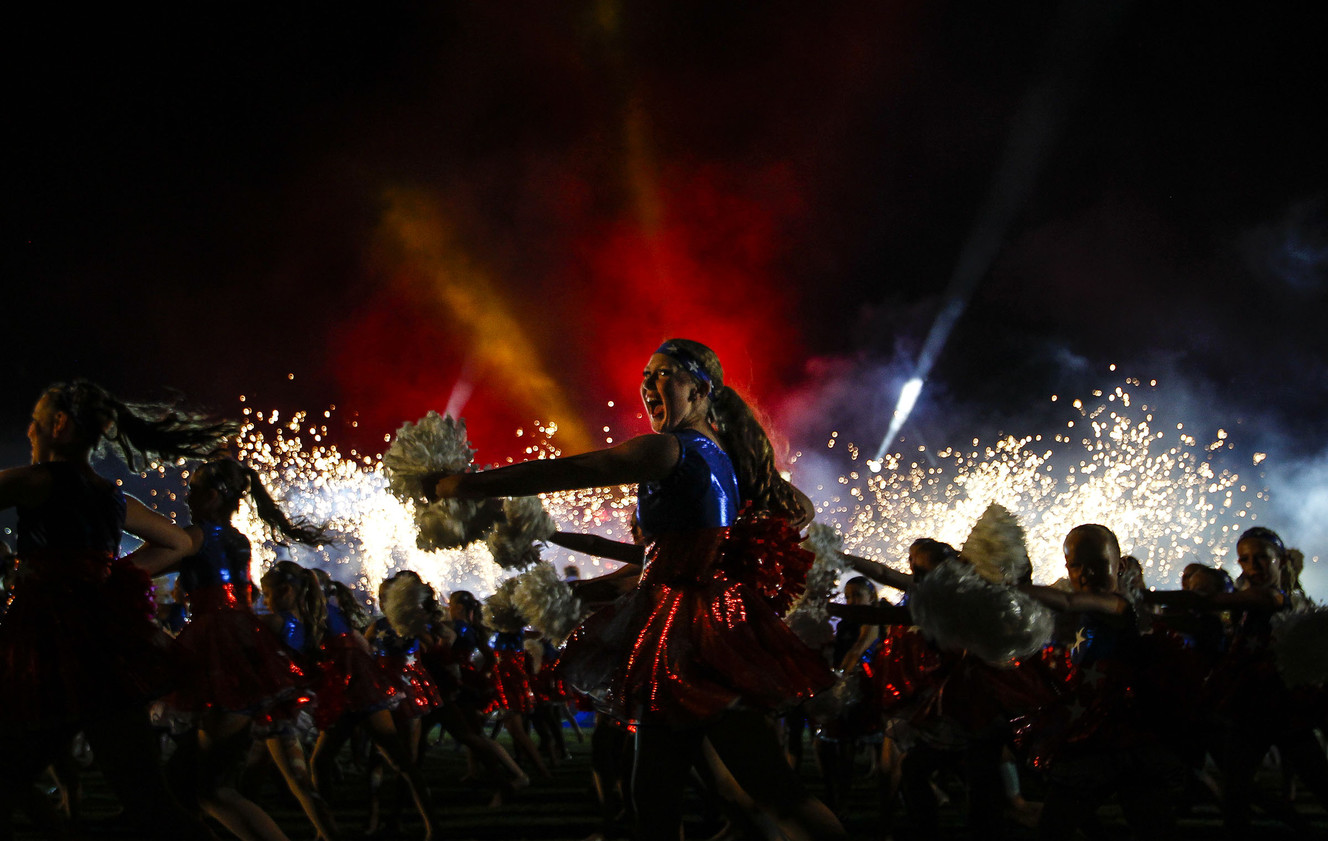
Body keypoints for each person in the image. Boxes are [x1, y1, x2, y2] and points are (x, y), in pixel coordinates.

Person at [430, 338, 844, 840]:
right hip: (678, 636)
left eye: (665, 373)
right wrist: (557, 598)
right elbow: (655, 569)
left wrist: (463, 486)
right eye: (646, 375)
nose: (649, 384)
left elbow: (577, 470)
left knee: (773, 796)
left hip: (696, 639)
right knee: (655, 799)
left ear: (700, 390)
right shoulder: (719, 456)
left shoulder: (671, 448)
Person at [0, 380, 229, 839]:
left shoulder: (37, 481)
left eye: (35, 421)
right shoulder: (113, 497)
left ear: (58, 425)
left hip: (45, 648)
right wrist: (109, 576)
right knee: (150, 803)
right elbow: (179, 543)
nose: (27, 430)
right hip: (105, 652)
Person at [170, 458, 340, 841]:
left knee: (207, 788)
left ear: (212, 497)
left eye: (194, 488)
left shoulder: (196, 535)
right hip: (247, 659)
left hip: (218, 653)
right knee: (208, 787)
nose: (187, 494)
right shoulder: (240, 540)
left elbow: (151, 564)